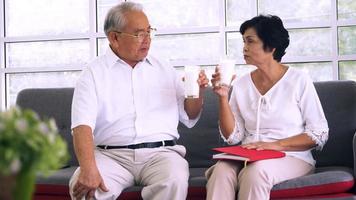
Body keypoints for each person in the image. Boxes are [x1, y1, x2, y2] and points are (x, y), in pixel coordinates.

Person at [69, 2, 209, 200]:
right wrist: (88, 169)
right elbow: (81, 126)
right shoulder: (93, 73)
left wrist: (198, 92)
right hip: (111, 157)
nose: (147, 40)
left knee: (174, 179)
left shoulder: (164, 68)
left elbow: (189, 115)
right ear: (114, 38)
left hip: (160, 155)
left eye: (149, 32)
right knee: (84, 188)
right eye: (138, 34)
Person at [206, 15, 329, 200]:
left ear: (271, 47)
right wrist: (223, 98)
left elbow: (319, 133)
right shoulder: (240, 84)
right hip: (248, 155)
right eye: (243, 41)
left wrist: (274, 145)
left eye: (250, 41)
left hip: (291, 156)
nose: (244, 47)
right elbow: (233, 137)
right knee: (221, 170)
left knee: (256, 172)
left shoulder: (298, 80)